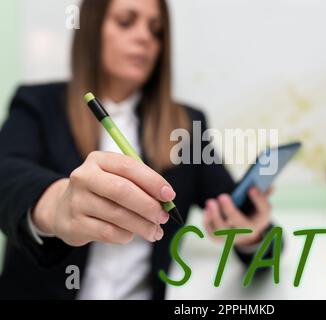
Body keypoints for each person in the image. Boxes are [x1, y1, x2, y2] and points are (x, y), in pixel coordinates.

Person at [0, 0, 275, 300]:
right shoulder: (38, 104)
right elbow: (6, 175)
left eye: (156, 30)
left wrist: (253, 235)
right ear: (92, 29)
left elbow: (260, 241)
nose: (145, 37)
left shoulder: (187, 124)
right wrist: (56, 205)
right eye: (126, 21)